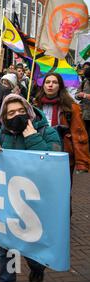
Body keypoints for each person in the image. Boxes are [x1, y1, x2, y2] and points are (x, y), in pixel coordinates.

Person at [0, 93, 62, 282]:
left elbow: (53, 167)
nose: (16, 116)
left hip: (35, 208)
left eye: (21, 111)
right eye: (11, 113)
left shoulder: (47, 132)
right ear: (4, 117)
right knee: (7, 250)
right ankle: (7, 281)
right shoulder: (2, 133)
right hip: (9, 206)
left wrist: (33, 138)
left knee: (32, 252)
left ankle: (37, 270)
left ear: (29, 111)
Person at [34, 73, 89, 215]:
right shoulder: (34, 105)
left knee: (62, 191)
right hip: (38, 153)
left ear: (60, 86)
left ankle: (62, 220)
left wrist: (82, 162)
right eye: (47, 82)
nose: (50, 85)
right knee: (40, 188)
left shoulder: (71, 107)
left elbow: (79, 134)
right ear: (43, 85)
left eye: (54, 82)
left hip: (63, 156)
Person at [76, 67, 90, 144]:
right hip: (84, 115)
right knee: (85, 137)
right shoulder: (84, 82)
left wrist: (85, 95)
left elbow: (85, 95)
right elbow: (76, 94)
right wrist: (79, 95)